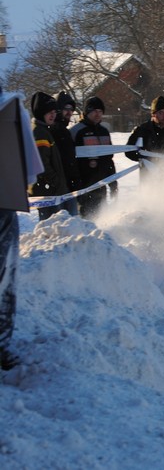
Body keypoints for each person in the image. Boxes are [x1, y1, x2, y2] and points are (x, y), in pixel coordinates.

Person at [0, 85, 44, 370]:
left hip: (3, 202)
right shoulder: (9, 107)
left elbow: (27, 168)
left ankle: (2, 344)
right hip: (4, 200)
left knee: (6, 277)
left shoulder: (9, 107)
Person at [71, 96, 118, 219]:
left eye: (100, 111)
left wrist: (113, 182)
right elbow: (70, 160)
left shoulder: (104, 131)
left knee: (102, 218)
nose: (97, 114)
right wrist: (75, 183)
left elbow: (109, 159)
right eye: (94, 111)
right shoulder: (76, 131)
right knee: (85, 221)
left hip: (100, 184)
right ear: (87, 112)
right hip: (83, 186)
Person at [28, 92, 72, 220]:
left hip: (48, 190)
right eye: (49, 112)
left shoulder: (42, 129)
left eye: (54, 111)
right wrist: (57, 184)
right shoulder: (40, 132)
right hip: (47, 192)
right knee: (52, 227)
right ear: (41, 112)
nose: (53, 115)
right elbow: (42, 165)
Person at [50, 91, 81, 215]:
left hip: (68, 186)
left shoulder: (65, 131)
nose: (69, 112)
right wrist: (60, 181)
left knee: (71, 224)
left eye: (71, 109)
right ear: (57, 110)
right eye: (65, 108)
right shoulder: (54, 130)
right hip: (58, 188)